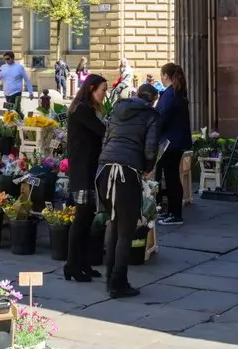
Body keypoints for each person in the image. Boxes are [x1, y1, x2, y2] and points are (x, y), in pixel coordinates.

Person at [95, 81, 160, 299]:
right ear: (152, 100)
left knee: (113, 223)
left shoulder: (117, 110)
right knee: (126, 231)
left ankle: (110, 278)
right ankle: (118, 282)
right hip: (127, 172)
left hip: (104, 171)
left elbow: (106, 140)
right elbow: (150, 149)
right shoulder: (150, 115)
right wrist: (148, 169)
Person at [65, 74, 108, 282]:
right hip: (82, 171)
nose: (104, 94)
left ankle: (83, 263)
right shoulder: (82, 109)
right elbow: (103, 131)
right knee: (81, 219)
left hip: (89, 169)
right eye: (102, 90)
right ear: (91, 89)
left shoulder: (86, 108)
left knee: (88, 217)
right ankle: (72, 265)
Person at [156, 63, 193, 226]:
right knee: (172, 177)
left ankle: (175, 214)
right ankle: (172, 212)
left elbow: (162, 117)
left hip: (170, 143)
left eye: (162, 75)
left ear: (165, 75)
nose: (161, 78)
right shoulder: (177, 93)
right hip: (176, 141)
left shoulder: (169, 94)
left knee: (171, 178)